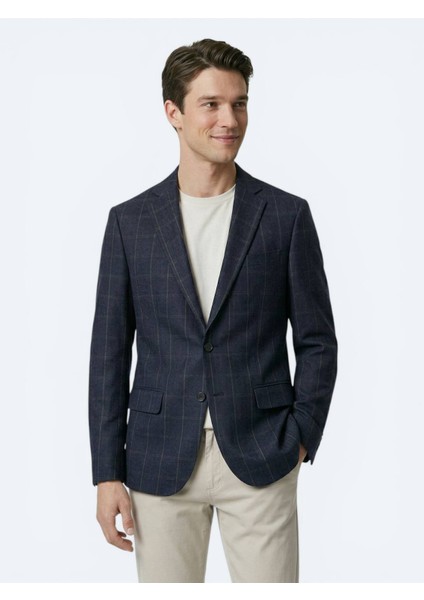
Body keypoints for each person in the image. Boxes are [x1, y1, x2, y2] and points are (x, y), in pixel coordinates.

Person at [88, 38, 338, 583]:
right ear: (173, 113)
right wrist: (107, 472)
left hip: (262, 451)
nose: (230, 119)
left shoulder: (286, 216)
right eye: (211, 104)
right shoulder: (130, 223)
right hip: (158, 457)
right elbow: (108, 354)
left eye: (239, 103)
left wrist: (300, 435)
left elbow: (318, 340)